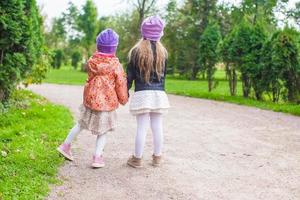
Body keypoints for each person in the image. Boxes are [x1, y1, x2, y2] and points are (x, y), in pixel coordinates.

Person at [57, 28, 128, 168]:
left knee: (81, 124)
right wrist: (123, 99)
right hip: (106, 104)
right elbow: (120, 83)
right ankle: (97, 157)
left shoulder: (91, 62)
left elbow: (90, 79)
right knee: (103, 130)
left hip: (90, 101)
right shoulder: (116, 66)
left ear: (98, 46)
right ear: (114, 48)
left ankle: (65, 145)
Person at [126, 16, 170, 168]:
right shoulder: (163, 52)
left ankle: (137, 159)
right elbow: (163, 76)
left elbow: (129, 76)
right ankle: (157, 157)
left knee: (142, 127)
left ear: (143, 32)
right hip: (158, 94)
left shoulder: (136, 52)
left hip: (142, 94)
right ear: (159, 34)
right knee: (158, 126)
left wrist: (124, 92)